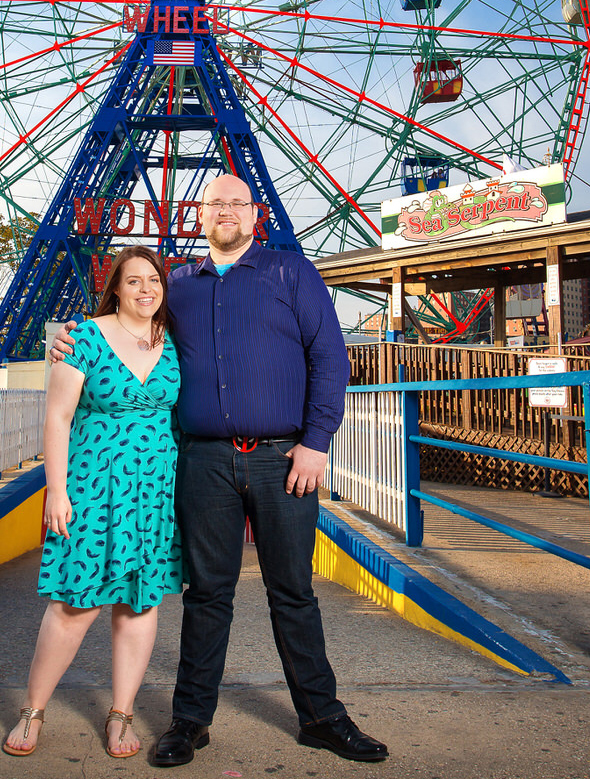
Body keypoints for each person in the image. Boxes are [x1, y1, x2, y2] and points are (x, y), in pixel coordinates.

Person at [51, 174, 388, 767]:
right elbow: (129, 329)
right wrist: (69, 342)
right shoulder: (176, 286)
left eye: (236, 203)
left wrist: (316, 442)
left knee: (293, 590)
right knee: (207, 594)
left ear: (254, 214)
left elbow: (329, 356)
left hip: (284, 458)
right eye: (214, 204)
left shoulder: (291, 273)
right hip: (203, 459)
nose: (225, 212)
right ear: (199, 215)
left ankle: (321, 716)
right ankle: (189, 721)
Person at [3, 246, 185, 759]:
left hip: (152, 492)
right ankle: (34, 709)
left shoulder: (173, 342)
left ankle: (121, 713)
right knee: (74, 605)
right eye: (134, 281)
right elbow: (57, 418)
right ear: (117, 288)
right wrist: (56, 490)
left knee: (139, 603)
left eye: (154, 280)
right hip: (92, 489)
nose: (146, 290)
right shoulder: (82, 337)